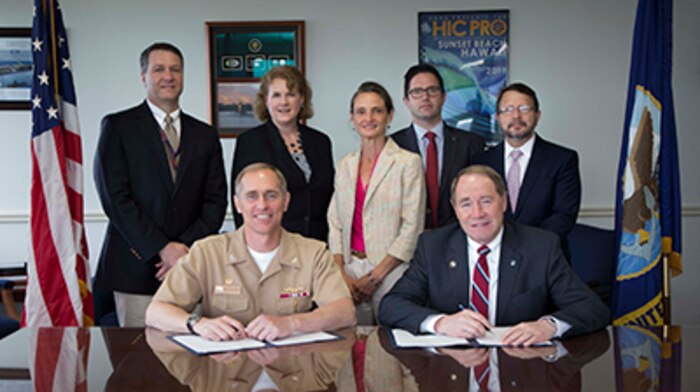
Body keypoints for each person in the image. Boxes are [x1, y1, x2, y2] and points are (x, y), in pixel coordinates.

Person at [378, 165, 609, 346]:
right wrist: (441, 323)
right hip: (451, 370)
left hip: (523, 367)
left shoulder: (541, 246)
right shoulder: (433, 246)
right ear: (455, 209)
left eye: (486, 201)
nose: (477, 213)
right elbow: (391, 305)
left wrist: (548, 326)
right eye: (466, 204)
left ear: (504, 202)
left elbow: (592, 308)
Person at [93, 42, 227, 327]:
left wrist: (183, 251)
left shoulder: (205, 135)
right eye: (159, 69)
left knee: (191, 361)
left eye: (175, 69)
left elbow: (215, 201)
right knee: (138, 363)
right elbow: (115, 198)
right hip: (135, 265)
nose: (168, 76)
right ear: (144, 77)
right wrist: (163, 248)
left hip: (191, 267)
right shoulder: (118, 127)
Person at [146, 163, 355, 341]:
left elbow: (345, 312)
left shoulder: (314, 253)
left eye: (271, 195)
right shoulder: (206, 252)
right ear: (237, 204)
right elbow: (156, 312)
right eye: (252, 196)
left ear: (286, 201)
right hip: (227, 375)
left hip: (291, 375)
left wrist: (291, 324)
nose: (262, 205)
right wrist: (197, 324)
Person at [328, 81, 425, 325]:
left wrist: (376, 276)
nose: (368, 118)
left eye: (377, 110)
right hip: (349, 271)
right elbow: (335, 222)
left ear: (390, 115)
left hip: (390, 271)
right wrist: (340, 271)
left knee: (389, 346)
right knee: (352, 346)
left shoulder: (407, 163)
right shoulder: (345, 165)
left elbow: (412, 227)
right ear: (352, 118)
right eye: (361, 111)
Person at [231, 66, 334, 242]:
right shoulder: (250, 142)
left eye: (291, 94)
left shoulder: (321, 142)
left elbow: (330, 197)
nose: (284, 102)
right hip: (272, 243)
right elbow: (243, 200)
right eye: (276, 95)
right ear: (266, 100)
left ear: (302, 99)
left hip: (318, 244)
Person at [474, 82, 581, 249]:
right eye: (508, 110)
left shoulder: (562, 159)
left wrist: (524, 247)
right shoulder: (481, 162)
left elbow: (563, 216)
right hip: (493, 256)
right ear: (498, 117)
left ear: (537, 115)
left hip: (545, 257)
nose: (516, 116)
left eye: (524, 109)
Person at [392, 64, 484, 229]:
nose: (425, 97)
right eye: (417, 92)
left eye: (432, 90)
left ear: (443, 96)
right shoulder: (392, 146)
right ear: (406, 101)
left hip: (458, 237)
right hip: (406, 242)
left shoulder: (471, 143)